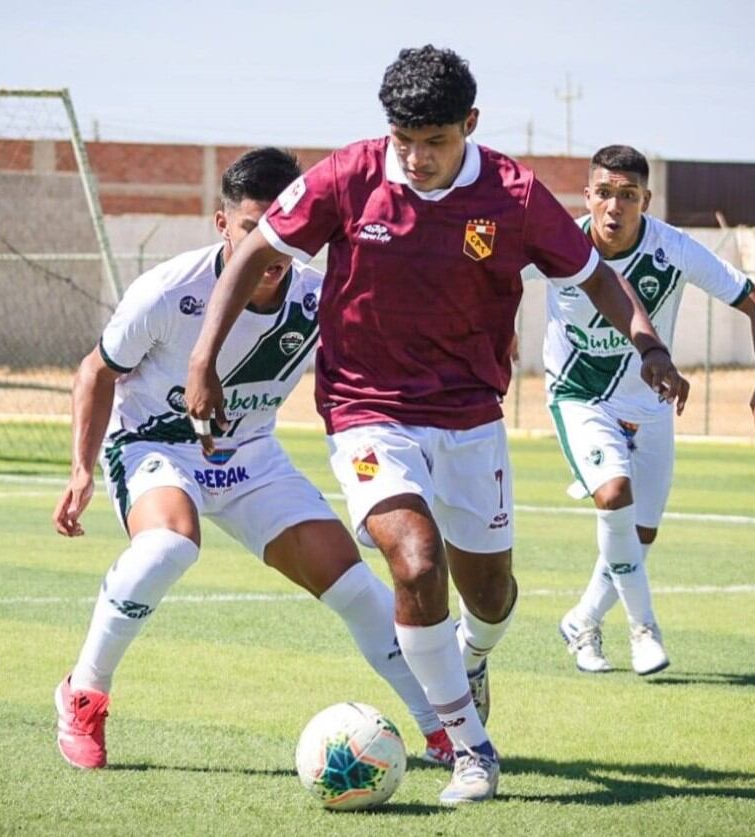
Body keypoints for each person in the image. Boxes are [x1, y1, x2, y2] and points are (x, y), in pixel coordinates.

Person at [185, 49, 687, 804]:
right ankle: (469, 746)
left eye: (437, 142)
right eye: (403, 139)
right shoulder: (349, 176)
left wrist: (647, 342)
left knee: (490, 593)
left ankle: (471, 658)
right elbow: (256, 247)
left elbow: (591, 274)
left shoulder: (513, 194)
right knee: (416, 563)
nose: (416, 159)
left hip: (470, 418)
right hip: (366, 410)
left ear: (470, 127)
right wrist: (204, 358)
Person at [50, 147, 456, 771]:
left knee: (356, 587)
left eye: (281, 230)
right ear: (223, 225)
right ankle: (83, 692)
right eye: (250, 230)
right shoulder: (167, 291)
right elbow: (96, 371)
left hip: (252, 456)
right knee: (168, 546)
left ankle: (441, 730)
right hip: (157, 446)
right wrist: (82, 468)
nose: (268, 251)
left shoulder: (323, 299)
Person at [547, 144, 755, 676]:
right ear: (587, 196)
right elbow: (490, 284)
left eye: (627, 196)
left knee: (642, 534)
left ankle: (582, 620)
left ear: (645, 200)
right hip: (578, 395)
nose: (614, 206)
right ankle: (644, 629)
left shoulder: (672, 249)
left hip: (651, 405)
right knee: (614, 494)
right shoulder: (558, 244)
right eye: (604, 193)